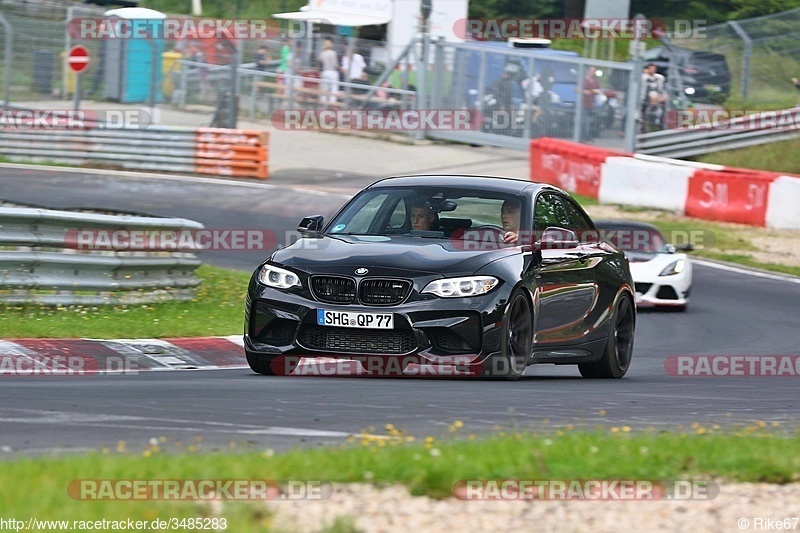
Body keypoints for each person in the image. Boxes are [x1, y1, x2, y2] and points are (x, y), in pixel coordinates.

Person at [641, 64, 667, 130]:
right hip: (646, 97)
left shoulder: (659, 77)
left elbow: (662, 88)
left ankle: (661, 124)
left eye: (653, 69)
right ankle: (644, 125)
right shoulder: (644, 77)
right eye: (650, 68)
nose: (652, 70)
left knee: (664, 98)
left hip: (657, 96)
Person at [580, 66, 601, 142]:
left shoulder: (595, 80)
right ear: (588, 71)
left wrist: (596, 91)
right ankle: (584, 137)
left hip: (591, 104)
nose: (593, 72)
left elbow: (598, 90)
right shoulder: (583, 80)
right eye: (591, 71)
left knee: (589, 121)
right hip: (583, 104)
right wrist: (583, 91)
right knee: (585, 121)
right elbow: (576, 89)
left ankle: (588, 136)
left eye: (594, 71)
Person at [317, 39, 339, 104]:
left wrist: (319, 70)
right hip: (332, 71)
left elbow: (319, 61)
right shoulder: (333, 53)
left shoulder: (322, 53)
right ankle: (332, 102)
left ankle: (323, 102)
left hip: (325, 71)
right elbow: (335, 64)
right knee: (334, 88)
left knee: (325, 88)